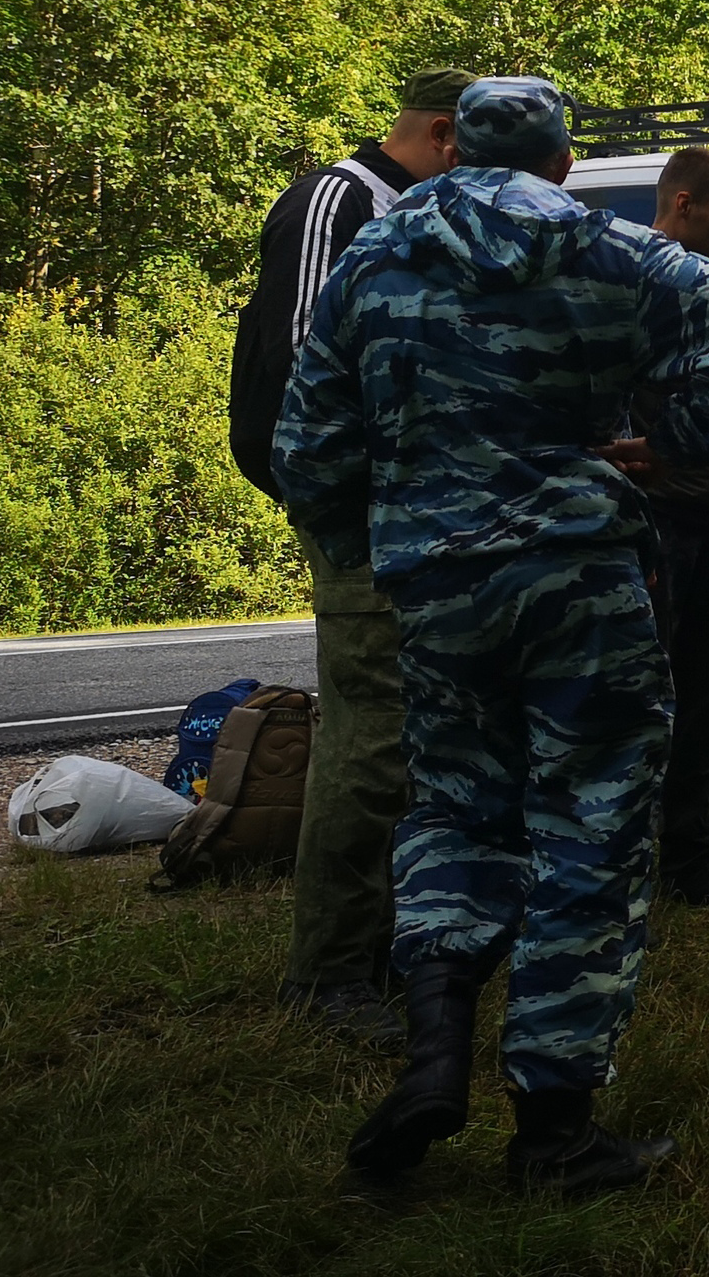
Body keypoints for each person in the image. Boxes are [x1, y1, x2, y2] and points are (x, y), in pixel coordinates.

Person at [275, 77, 709, 1193]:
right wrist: (676, 439)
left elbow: (307, 444)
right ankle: (554, 1130)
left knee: (456, 809)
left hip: (437, 589)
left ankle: (433, 1056)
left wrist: (375, 528)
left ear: (455, 152)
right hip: (576, 582)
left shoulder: (370, 260)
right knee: (590, 824)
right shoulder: (605, 251)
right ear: (562, 164)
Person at [225, 65, 473, 1047]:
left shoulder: (412, 213)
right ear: (446, 134)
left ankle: (386, 946)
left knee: (409, 735)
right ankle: (330, 977)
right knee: (371, 742)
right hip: (360, 509)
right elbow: (302, 369)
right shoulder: (340, 198)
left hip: (415, 511)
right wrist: (345, 501)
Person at [598, 146, 709, 917]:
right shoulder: (635, 289)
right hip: (655, 526)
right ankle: (614, 873)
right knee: (635, 706)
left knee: (705, 702)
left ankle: (692, 866)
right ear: (681, 205)